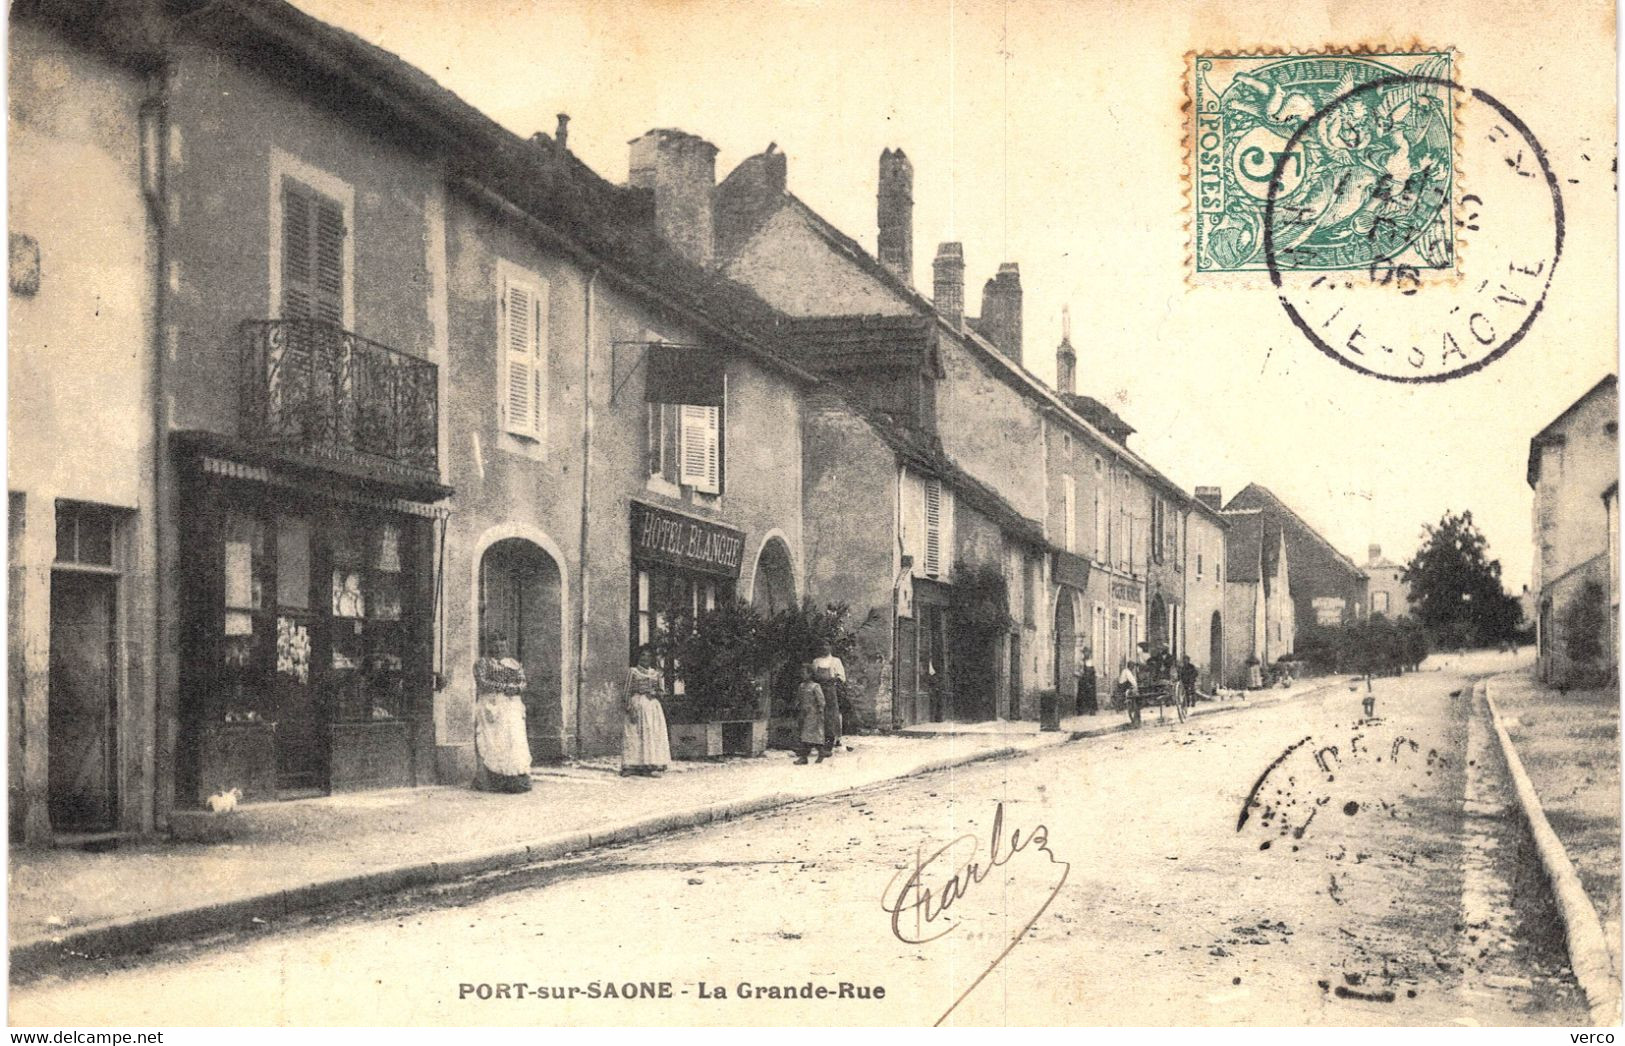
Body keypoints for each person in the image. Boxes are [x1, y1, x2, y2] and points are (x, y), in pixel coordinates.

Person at [472, 638, 533, 793]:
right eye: (496, 646)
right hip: (491, 705)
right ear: (490, 647)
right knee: (493, 740)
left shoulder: (513, 663)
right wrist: (504, 687)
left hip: (512, 705)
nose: (499, 649)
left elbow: (522, 682)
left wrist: (515, 688)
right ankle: (492, 779)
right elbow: (482, 682)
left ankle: (514, 778)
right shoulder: (483, 663)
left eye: (503, 646)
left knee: (514, 739)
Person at [622, 645, 672, 777]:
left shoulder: (655, 674)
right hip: (637, 704)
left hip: (653, 707)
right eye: (643, 655)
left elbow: (662, 692)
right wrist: (629, 708)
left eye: (649, 656)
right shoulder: (633, 672)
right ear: (638, 657)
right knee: (635, 735)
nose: (646, 658)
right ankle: (633, 765)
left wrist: (655, 692)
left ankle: (651, 764)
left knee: (652, 734)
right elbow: (626, 692)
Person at [811, 641, 847, 755]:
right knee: (817, 714)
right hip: (818, 690)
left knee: (830, 715)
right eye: (822, 645)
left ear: (831, 647)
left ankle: (830, 741)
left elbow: (842, 677)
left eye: (827, 645)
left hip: (830, 691)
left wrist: (833, 680)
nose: (824, 647)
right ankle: (817, 742)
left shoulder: (835, 661)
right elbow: (812, 676)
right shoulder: (816, 661)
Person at [793, 663, 827, 764]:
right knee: (810, 736)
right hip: (804, 713)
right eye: (801, 673)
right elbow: (799, 699)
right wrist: (796, 706)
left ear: (810, 674)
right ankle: (821, 752)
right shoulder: (801, 686)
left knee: (807, 735)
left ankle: (804, 758)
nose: (802, 675)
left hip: (814, 713)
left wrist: (820, 711)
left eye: (804, 673)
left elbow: (821, 700)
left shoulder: (815, 686)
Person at [1118, 659, 1141, 727]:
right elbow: (1133, 682)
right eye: (1133, 667)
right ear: (1130, 666)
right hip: (1123, 689)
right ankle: (1135, 715)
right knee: (1135, 695)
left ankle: (1135, 715)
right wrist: (1137, 687)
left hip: (1123, 688)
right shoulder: (1127, 672)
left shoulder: (1125, 671)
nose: (1133, 668)